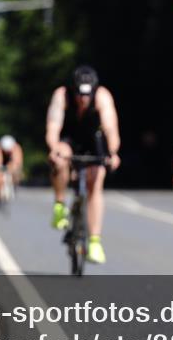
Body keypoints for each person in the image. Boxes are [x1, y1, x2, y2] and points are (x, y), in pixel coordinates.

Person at [46, 65, 121, 264]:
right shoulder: (61, 95)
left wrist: (112, 153)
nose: (83, 99)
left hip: (93, 140)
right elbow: (53, 127)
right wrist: (54, 149)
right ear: (73, 89)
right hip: (69, 139)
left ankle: (95, 242)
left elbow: (110, 127)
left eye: (87, 94)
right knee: (60, 158)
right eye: (79, 93)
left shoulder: (102, 96)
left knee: (96, 181)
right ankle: (60, 206)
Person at [0, 135, 23, 202]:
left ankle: (14, 184)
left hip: (11, 162)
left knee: (15, 172)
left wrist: (13, 170)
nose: (7, 152)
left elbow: (17, 162)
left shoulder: (16, 148)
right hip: (1, 162)